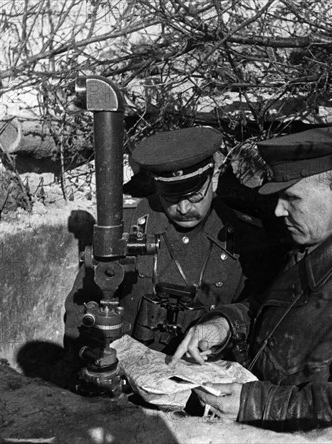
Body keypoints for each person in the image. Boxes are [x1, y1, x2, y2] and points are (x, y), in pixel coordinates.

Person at [171, 125, 332, 430]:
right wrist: (225, 325)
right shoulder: (317, 245)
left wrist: (254, 403)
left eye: (291, 198)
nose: (279, 210)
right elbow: (275, 308)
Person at [64, 127, 280, 371]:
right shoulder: (126, 224)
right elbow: (82, 302)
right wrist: (87, 357)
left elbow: (256, 312)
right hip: (123, 375)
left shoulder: (246, 237)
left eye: (195, 195)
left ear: (213, 177)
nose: (185, 208)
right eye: (172, 197)